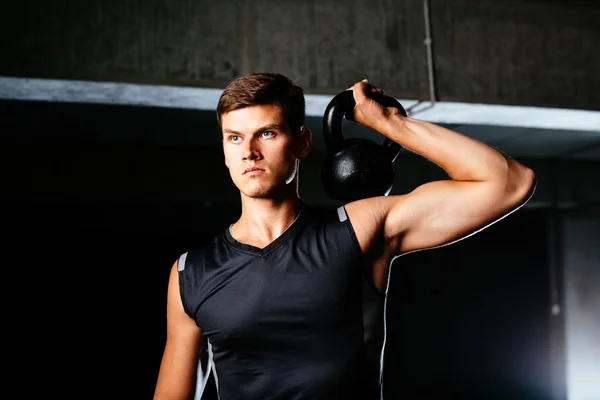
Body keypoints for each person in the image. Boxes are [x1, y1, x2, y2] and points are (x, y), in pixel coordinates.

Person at [153, 72, 536, 400]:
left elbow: (510, 183)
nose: (249, 152)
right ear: (224, 149)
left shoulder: (358, 230)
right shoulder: (191, 272)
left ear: (303, 143)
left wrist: (390, 123)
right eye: (234, 138)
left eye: (266, 133)